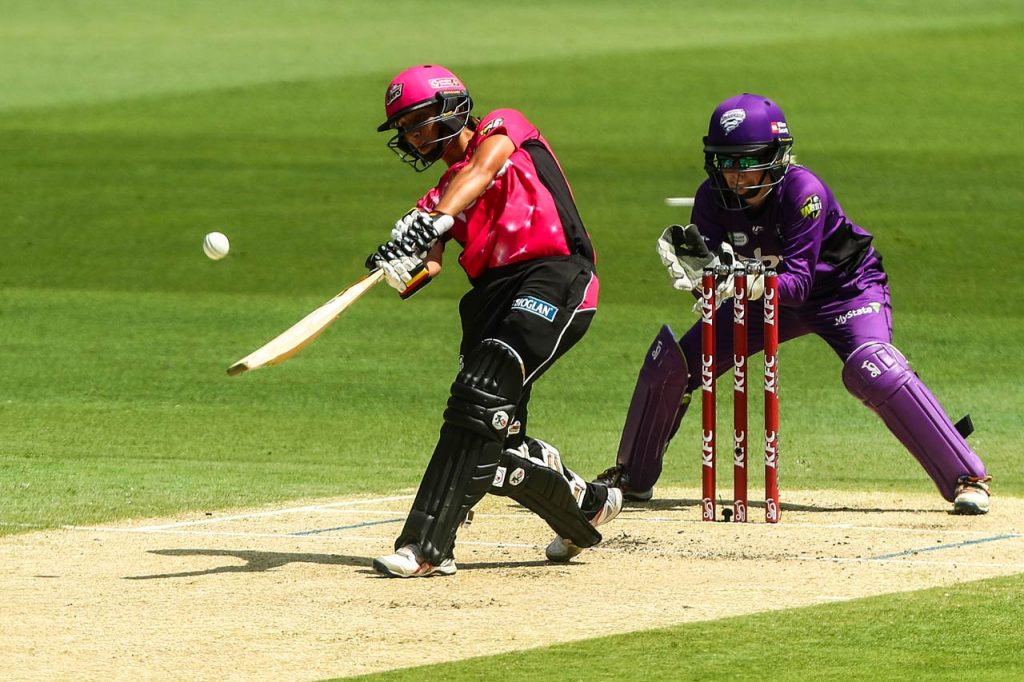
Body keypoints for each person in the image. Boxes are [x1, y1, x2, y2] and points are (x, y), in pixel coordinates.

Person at [596, 93, 991, 515]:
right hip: (762, 297)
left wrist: (737, 283)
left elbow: (799, 285)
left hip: (845, 292)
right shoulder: (710, 198)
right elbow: (711, 278)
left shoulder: (804, 191)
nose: (735, 177)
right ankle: (632, 478)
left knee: (874, 368)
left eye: (747, 163)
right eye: (725, 163)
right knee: (676, 364)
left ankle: (966, 476)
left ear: (776, 156)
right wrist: (701, 279)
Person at [366, 64, 622, 578]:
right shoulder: (436, 197)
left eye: (419, 122)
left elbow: (481, 172)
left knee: (478, 396)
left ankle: (426, 548)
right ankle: (586, 504)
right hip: (489, 299)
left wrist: (433, 218)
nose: (414, 137)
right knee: (492, 445)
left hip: (554, 276)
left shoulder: (502, 127)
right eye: (406, 130)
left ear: (451, 107)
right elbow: (430, 265)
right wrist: (397, 268)